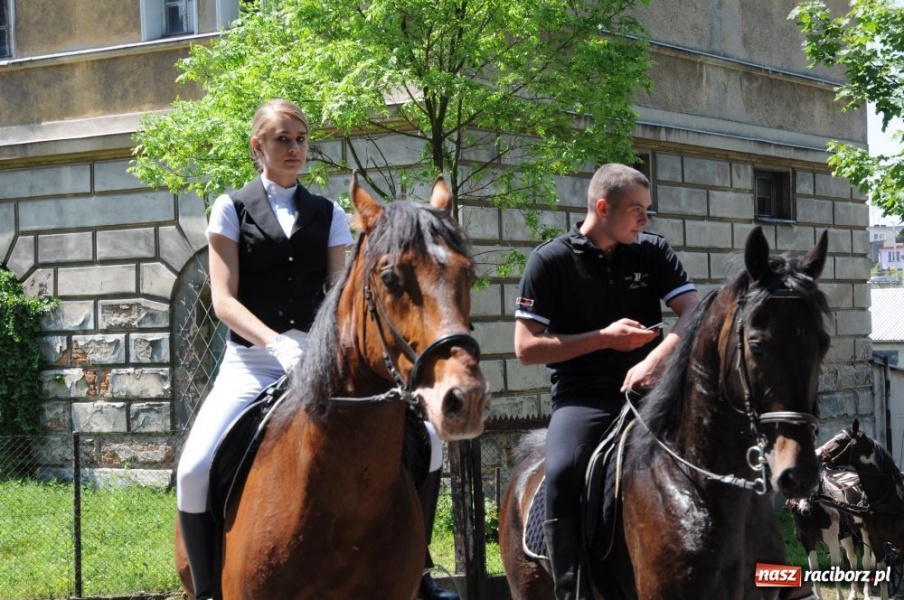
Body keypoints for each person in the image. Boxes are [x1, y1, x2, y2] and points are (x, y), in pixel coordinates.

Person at [175, 99, 354, 599]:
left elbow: (337, 294)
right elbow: (223, 301)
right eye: (282, 139)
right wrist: (276, 344)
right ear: (258, 146)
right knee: (193, 470)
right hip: (250, 364)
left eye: (301, 139)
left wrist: (321, 348)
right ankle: (207, 590)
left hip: (317, 363)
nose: (295, 148)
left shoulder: (331, 213)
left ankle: (418, 573)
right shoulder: (230, 208)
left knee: (416, 439)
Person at [513, 163, 701, 600]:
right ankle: (571, 588)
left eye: (648, 209)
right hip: (585, 398)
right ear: (603, 208)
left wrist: (654, 360)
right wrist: (604, 338)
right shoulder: (550, 260)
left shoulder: (653, 251)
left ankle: (772, 578)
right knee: (562, 472)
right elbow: (525, 348)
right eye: (637, 210)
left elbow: (693, 310)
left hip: (656, 394)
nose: (646, 219)